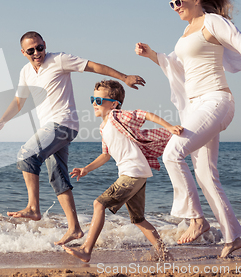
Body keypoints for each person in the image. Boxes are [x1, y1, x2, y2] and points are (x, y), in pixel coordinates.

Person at [135, 0, 241, 258]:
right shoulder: (186, 33)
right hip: (196, 106)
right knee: (206, 175)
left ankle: (196, 219)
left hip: (216, 100)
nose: (175, 7)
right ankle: (233, 236)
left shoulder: (213, 22)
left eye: (179, 1)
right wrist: (152, 55)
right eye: (171, 3)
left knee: (173, 153)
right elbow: (176, 65)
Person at [0, 31, 146, 245]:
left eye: (40, 47)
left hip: (63, 124)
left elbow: (94, 67)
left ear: (45, 44)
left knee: (26, 155)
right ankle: (74, 228)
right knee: (58, 178)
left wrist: (124, 77)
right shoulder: (26, 72)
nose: (37, 53)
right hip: (50, 127)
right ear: (23, 52)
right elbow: (19, 101)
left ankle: (33, 207)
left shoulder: (59, 59)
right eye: (31, 50)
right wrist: (2, 120)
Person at [62, 80, 183, 262]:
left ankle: (87, 249)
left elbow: (144, 114)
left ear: (114, 104)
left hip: (132, 173)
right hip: (137, 174)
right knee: (138, 219)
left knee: (98, 204)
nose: (94, 103)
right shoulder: (104, 127)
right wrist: (86, 169)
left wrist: (169, 127)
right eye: (92, 99)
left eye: (99, 100)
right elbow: (105, 155)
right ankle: (164, 253)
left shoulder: (116, 116)